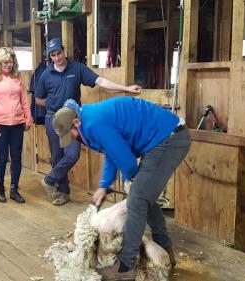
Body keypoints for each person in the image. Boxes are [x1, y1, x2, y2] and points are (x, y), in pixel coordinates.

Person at [53, 97, 190, 280]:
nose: (73, 139)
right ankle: (164, 249)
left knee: (138, 199)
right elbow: (112, 153)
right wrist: (104, 186)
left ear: (76, 122)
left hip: (169, 138)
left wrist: (129, 179)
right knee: (143, 194)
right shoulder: (89, 119)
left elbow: (126, 161)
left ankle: (126, 265)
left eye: (71, 134)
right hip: (162, 138)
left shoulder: (94, 124)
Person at [34, 37, 142, 206]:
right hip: (53, 119)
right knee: (57, 156)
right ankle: (63, 192)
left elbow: (100, 81)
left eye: (59, 53)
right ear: (50, 57)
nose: (57, 57)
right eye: (53, 55)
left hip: (73, 118)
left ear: (64, 51)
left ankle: (50, 179)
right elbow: (38, 100)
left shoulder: (77, 68)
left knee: (73, 154)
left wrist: (126, 88)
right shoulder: (46, 74)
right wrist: (53, 103)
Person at [0, 47, 32, 204]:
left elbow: (24, 99)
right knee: (2, 157)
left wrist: (28, 118)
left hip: (17, 124)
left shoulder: (17, 77)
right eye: (5, 62)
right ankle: (0, 189)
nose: (9, 65)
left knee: (16, 157)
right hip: (0, 125)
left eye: (11, 62)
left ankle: (14, 189)